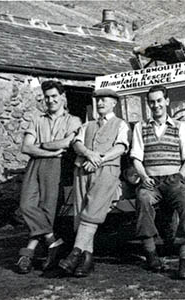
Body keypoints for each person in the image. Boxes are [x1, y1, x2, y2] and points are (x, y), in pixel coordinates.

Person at [130, 85, 185, 280]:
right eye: (152, 102)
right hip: (151, 182)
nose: (156, 105)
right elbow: (136, 157)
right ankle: (151, 254)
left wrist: (179, 176)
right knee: (142, 199)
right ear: (148, 104)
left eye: (159, 100)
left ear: (167, 101)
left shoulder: (179, 126)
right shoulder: (140, 127)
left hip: (173, 180)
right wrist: (144, 177)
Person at [58, 88, 130, 277]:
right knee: (81, 213)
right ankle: (86, 261)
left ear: (114, 103)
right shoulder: (87, 124)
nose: (100, 103)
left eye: (104, 100)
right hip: (82, 171)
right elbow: (77, 144)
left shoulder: (121, 124)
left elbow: (121, 147)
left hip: (107, 170)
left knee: (93, 212)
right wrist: (89, 154)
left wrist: (99, 159)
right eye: (97, 100)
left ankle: (74, 254)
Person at [17, 80, 82, 274]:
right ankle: (53, 241)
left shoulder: (73, 120)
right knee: (26, 205)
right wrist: (51, 151)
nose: (50, 100)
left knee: (47, 209)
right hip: (37, 163)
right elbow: (26, 147)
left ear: (62, 97)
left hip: (58, 166)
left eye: (54, 96)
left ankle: (28, 253)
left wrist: (42, 145)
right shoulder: (38, 120)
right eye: (47, 97)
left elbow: (69, 142)